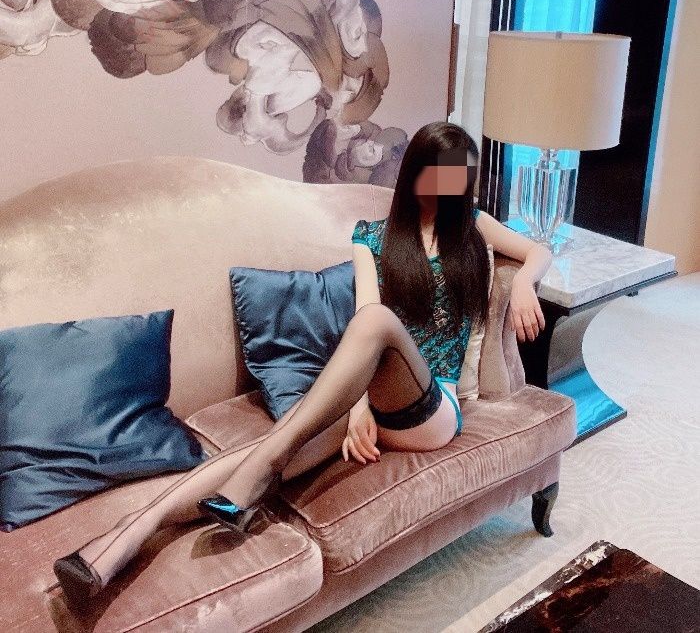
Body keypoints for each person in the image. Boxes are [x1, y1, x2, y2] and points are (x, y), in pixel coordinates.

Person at [52, 121, 551, 604]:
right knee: (266, 444)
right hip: (373, 401)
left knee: (374, 325)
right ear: (415, 172)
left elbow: (537, 252)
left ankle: (265, 466)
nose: (446, 188)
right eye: (437, 173)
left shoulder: (472, 225)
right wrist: (358, 409)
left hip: (433, 409)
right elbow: (363, 311)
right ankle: (121, 540)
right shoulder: (373, 237)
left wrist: (525, 284)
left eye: (458, 177)